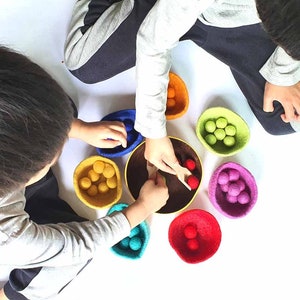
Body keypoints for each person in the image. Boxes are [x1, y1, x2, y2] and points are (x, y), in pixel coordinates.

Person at [0, 46, 169, 300]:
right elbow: (78, 244)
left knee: (61, 108)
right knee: (64, 263)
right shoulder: (9, 236)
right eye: (52, 156)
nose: (62, 147)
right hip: (15, 231)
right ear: (22, 176)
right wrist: (143, 208)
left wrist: (77, 128)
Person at [64, 0, 300, 174]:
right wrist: (153, 131)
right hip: (174, 7)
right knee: (83, 63)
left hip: (234, 17)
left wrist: (282, 73)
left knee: (284, 119)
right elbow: (154, 43)